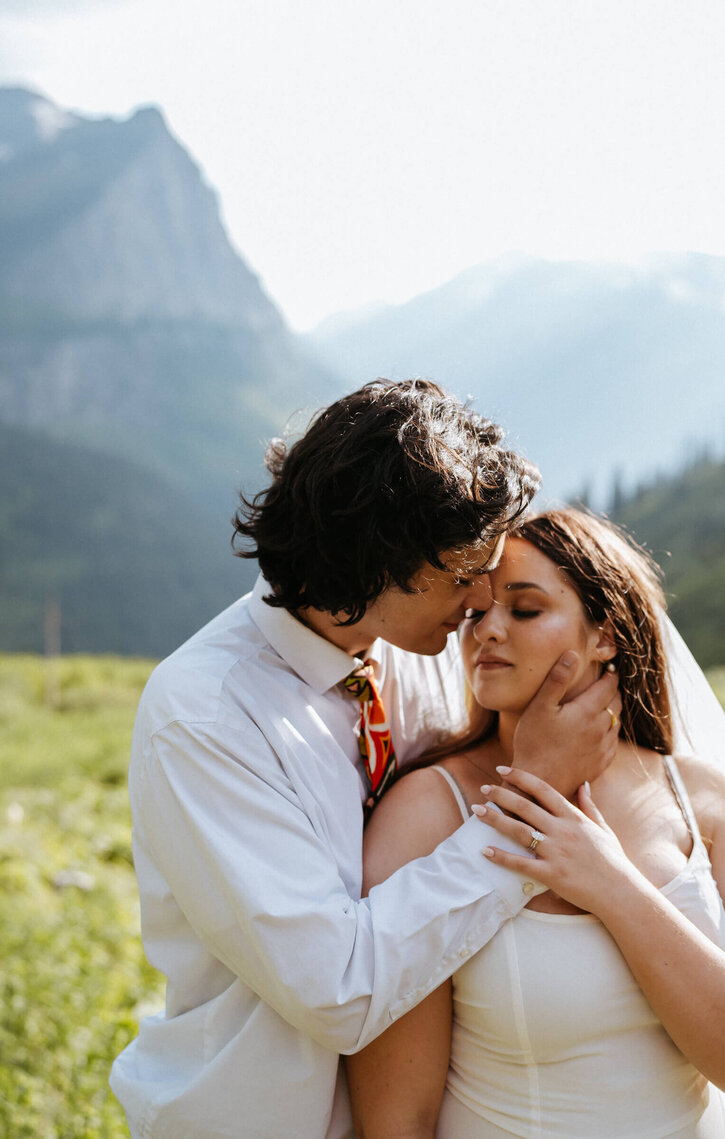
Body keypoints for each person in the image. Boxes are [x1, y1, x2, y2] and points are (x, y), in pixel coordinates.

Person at [109, 382, 622, 1139]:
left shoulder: (419, 650)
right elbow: (337, 988)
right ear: (376, 556)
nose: (481, 596)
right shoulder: (206, 715)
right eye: (461, 571)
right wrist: (530, 805)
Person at [347, 507, 725, 1138]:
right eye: (476, 612)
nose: (487, 632)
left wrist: (613, 887)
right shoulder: (428, 812)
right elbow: (398, 1119)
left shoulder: (704, 799)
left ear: (605, 635)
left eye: (524, 610)